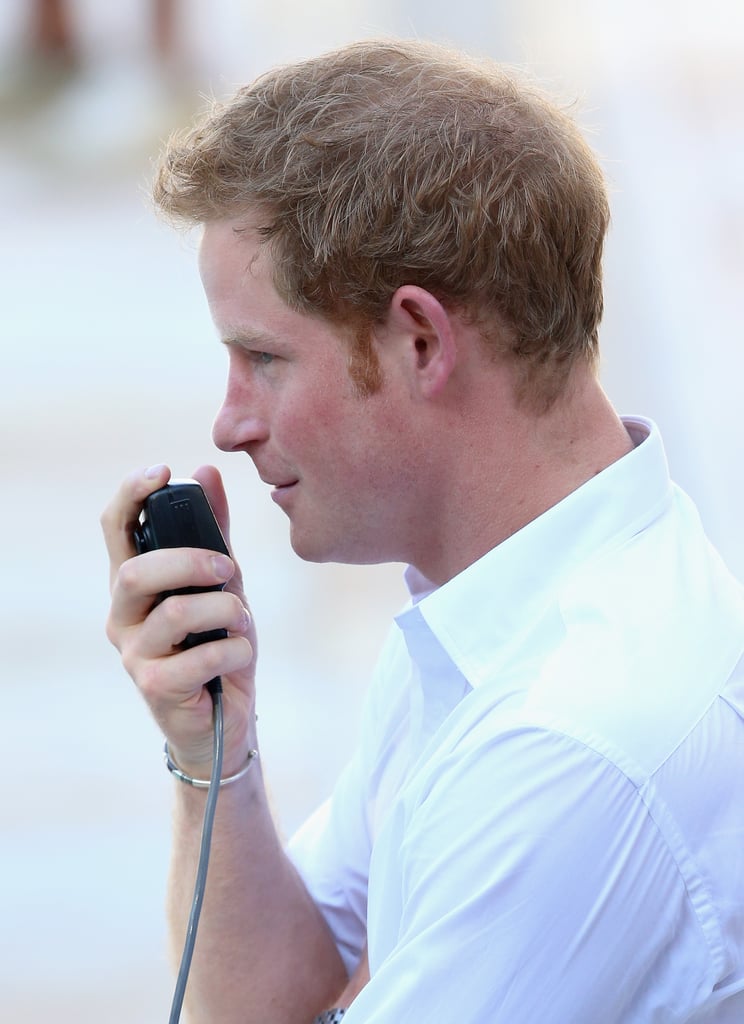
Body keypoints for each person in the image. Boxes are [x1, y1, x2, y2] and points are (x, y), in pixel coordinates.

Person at [101, 38, 744, 1024]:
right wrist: (211, 745)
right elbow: (271, 997)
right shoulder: (493, 618)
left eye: (262, 358)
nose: (230, 424)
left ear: (420, 340)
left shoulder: (572, 743)